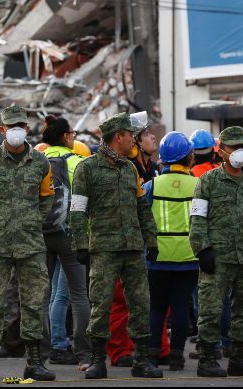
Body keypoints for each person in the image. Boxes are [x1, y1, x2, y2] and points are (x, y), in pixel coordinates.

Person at [68, 112, 162, 380]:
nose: (134, 139)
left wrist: (151, 239)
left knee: (141, 302)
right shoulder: (88, 169)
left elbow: (142, 207)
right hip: (103, 248)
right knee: (101, 303)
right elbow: (77, 211)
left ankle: (142, 359)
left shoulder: (130, 168)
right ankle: (98, 360)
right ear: (117, 137)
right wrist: (81, 244)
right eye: (130, 135)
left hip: (132, 247)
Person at [0, 105, 56, 383]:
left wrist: (32, 222)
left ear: (27, 129)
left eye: (20, 125)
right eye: (11, 126)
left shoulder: (41, 162)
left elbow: (47, 199)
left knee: (33, 302)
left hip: (31, 243)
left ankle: (34, 362)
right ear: (2, 130)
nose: (16, 130)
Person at [190, 126, 243, 378]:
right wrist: (202, 249)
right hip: (218, 257)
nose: (240, 152)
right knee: (211, 310)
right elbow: (197, 218)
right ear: (221, 151)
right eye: (234, 147)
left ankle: (238, 358)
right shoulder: (208, 181)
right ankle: (207, 360)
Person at [143, 132, 200, 372]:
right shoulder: (198, 185)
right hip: (188, 257)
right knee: (180, 308)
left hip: (157, 257)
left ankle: (154, 354)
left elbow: (142, 219)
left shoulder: (151, 186)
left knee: (156, 307)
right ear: (188, 157)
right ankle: (177, 356)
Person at [40, 115, 92, 367]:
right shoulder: (79, 163)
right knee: (79, 294)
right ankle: (83, 353)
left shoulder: (35, 161)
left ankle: (40, 353)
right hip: (71, 234)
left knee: (41, 295)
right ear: (65, 136)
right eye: (71, 133)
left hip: (40, 234)